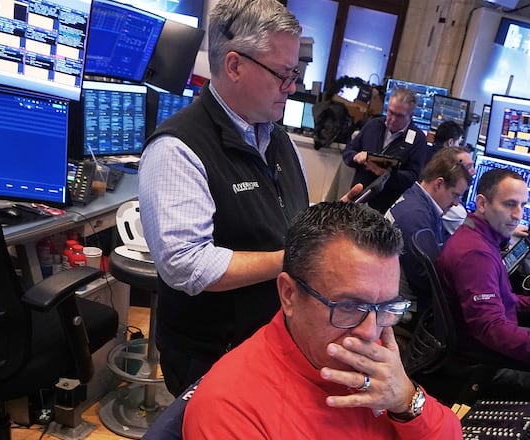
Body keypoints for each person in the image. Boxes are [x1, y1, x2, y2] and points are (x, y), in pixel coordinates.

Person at [138, 0, 318, 397]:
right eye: (283, 74)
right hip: (212, 357)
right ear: (235, 66)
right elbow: (186, 265)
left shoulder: (279, 140)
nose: (292, 87)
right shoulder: (178, 148)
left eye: (295, 74)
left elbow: (283, 222)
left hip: (269, 344)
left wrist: (325, 228)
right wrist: (291, 261)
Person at [182, 202, 463, 438]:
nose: (370, 332)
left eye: (386, 306)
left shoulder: (379, 368)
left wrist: (406, 401)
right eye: (350, 306)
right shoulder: (229, 409)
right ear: (289, 295)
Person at [435, 169, 530, 390]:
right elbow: (493, 330)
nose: (517, 215)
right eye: (509, 204)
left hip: (478, 347)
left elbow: (497, 300)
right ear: (482, 203)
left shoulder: (476, 236)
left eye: (522, 205)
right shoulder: (476, 256)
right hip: (481, 363)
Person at [385, 147, 471, 315]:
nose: (455, 203)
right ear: (439, 184)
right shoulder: (416, 218)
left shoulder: (416, 199)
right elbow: (429, 279)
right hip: (410, 308)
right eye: (455, 195)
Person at [342, 87, 428, 213]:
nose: (392, 119)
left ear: (410, 116)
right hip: (358, 198)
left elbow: (412, 178)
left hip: (387, 207)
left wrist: (386, 174)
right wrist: (356, 157)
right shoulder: (373, 125)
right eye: (390, 112)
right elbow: (348, 151)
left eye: (399, 116)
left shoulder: (418, 139)